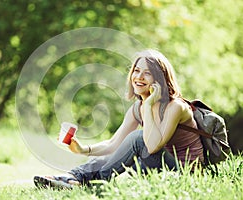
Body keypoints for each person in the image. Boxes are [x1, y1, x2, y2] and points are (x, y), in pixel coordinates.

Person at [34, 49, 204, 189]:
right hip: (161, 167)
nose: (139, 77)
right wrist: (83, 149)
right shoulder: (137, 108)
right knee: (124, 147)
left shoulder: (176, 107)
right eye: (137, 71)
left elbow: (152, 146)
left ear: (160, 79)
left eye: (148, 73)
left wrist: (148, 105)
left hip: (185, 172)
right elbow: (113, 145)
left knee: (138, 138)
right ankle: (72, 177)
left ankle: (91, 182)